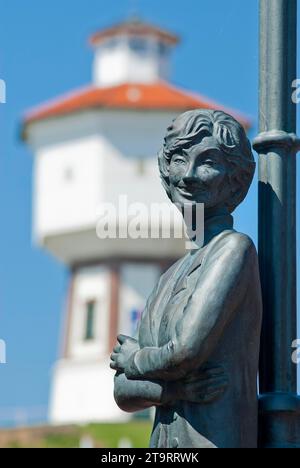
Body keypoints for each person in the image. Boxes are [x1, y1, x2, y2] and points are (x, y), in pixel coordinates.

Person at [110, 110, 262, 448]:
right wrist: (176, 390)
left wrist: (136, 359)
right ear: (166, 173)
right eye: (179, 159)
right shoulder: (167, 278)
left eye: (207, 162)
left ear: (235, 180)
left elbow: (184, 351)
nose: (189, 175)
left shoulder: (233, 250)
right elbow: (122, 391)